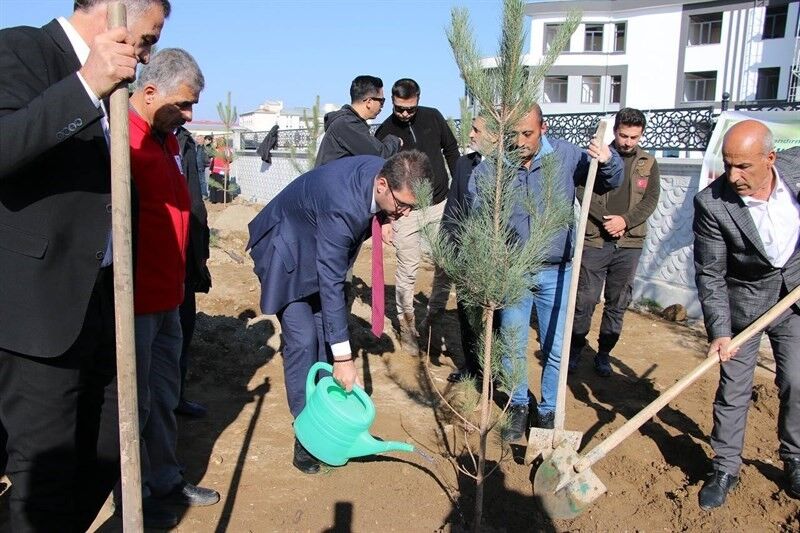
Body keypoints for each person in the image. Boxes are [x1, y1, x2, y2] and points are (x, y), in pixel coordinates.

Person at [0, 0, 169, 530]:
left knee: (109, 446)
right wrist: (85, 83)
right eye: (147, 39)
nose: (145, 56)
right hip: (38, 309)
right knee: (42, 469)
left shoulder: (117, 87)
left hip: (100, 301)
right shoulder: (22, 49)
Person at [247, 151, 432, 474]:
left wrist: (384, 219)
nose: (403, 214)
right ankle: (306, 437)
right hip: (286, 251)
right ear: (383, 185)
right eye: (400, 206)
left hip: (313, 245)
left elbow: (333, 273)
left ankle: (324, 421)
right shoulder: (342, 206)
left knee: (322, 336)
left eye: (409, 208)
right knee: (303, 341)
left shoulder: (382, 175)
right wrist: (344, 359)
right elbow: (332, 281)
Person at [470, 105, 623, 441]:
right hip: (515, 271)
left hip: (559, 270)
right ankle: (518, 405)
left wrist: (608, 159)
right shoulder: (496, 166)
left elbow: (608, 179)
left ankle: (549, 409)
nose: (521, 142)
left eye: (528, 134)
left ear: (543, 128)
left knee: (556, 346)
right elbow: (477, 206)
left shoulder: (566, 155)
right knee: (512, 344)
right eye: (514, 135)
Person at [124, 48, 219, 528]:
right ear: (149, 91)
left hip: (169, 296)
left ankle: (163, 477)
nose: (189, 114)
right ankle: (132, 495)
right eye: (183, 104)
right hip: (133, 303)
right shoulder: (124, 140)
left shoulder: (166, 141)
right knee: (132, 403)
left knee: (162, 397)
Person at [693, 121, 800, 510]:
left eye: (743, 167)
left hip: (793, 299)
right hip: (745, 305)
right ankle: (724, 467)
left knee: (797, 381)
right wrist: (720, 331)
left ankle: (795, 458)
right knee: (733, 390)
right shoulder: (713, 203)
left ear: (770, 159)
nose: (733, 176)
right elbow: (710, 272)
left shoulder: (796, 170)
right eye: (727, 164)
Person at [570, 107, 661, 376]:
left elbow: (651, 200)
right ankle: (575, 350)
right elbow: (581, 189)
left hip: (629, 244)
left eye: (634, 137)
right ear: (615, 131)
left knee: (618, 302)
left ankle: (604, 354)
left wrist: (625, 221)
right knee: (585, 299)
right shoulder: (599, 157)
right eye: (623, 135)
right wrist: (607, 221)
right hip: (596, 240)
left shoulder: (649, 163)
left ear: (641, 134)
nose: (628, 142)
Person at [375, 78, 460, 355]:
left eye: (410, 109)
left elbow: (451, 150)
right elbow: (380, 177)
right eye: (400, 109)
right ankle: (407, 325)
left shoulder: (433, 117)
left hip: (438, 204)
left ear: (418, 99)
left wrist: (458, 189)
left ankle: (433, 319)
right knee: (407, 270)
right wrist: (386, 219)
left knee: (446, 264)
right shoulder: (385, 131)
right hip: (405, 213)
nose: (405, 114)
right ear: (393, 101)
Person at [442, 116, 489, 382]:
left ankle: (496, 373)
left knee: (499, 320)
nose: (470, 135)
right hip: (466, 256)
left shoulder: (512, 167)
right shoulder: (464, 164)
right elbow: (453, 209)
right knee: (468, 316)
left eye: (476, 130)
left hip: (499, 258)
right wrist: (447, 249)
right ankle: (472, 368)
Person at [177, 126, 212, 418]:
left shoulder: (183, 140)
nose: (189, 113)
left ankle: (176, 396)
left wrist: (201, 254)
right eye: (184, 103)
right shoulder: (142, 135)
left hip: (186, 253)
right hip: (155, 257)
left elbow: (194, 204)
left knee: (183, 328)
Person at [315, 75, 402, 167]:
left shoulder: (348, 123)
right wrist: (395, 141)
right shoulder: (347, 124)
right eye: (382, 101)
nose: (382, 106)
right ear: (369, 102)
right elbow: (378, 155)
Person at [209, 136, 231, 204]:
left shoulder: (216, 150)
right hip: (224, 170)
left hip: (216, 170)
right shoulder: (227, 150)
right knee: (223, 185)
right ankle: (222, 199)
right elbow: (230, 160)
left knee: (215, 185)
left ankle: (215, 199)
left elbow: (212, 159)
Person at [195, 133, 211, 199]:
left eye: (199, 139)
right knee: (199, 181)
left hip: (204, 166)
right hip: (198, 166)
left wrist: (206, 164)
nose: (197, 141)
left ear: (202, 140)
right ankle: (201, 194)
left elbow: (206, 157)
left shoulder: (205, 147)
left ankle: (204, 194)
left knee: (203, 181)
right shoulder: (198, 147)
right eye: (197, 139)